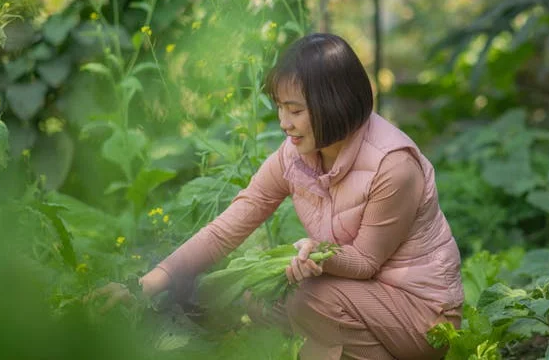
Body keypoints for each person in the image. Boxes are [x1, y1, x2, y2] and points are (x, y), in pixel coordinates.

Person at [110, 33, 463, 359]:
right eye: (280, 107)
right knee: (257, 297)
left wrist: (321, 258)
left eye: (295, 111)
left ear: (334, 104)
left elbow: (367, 262)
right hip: (359, 300)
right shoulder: (294, 156)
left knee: (311, 298)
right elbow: (227, 228)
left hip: (423, 318)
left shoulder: (393, 166)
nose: (284, 122)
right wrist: (146, 285)